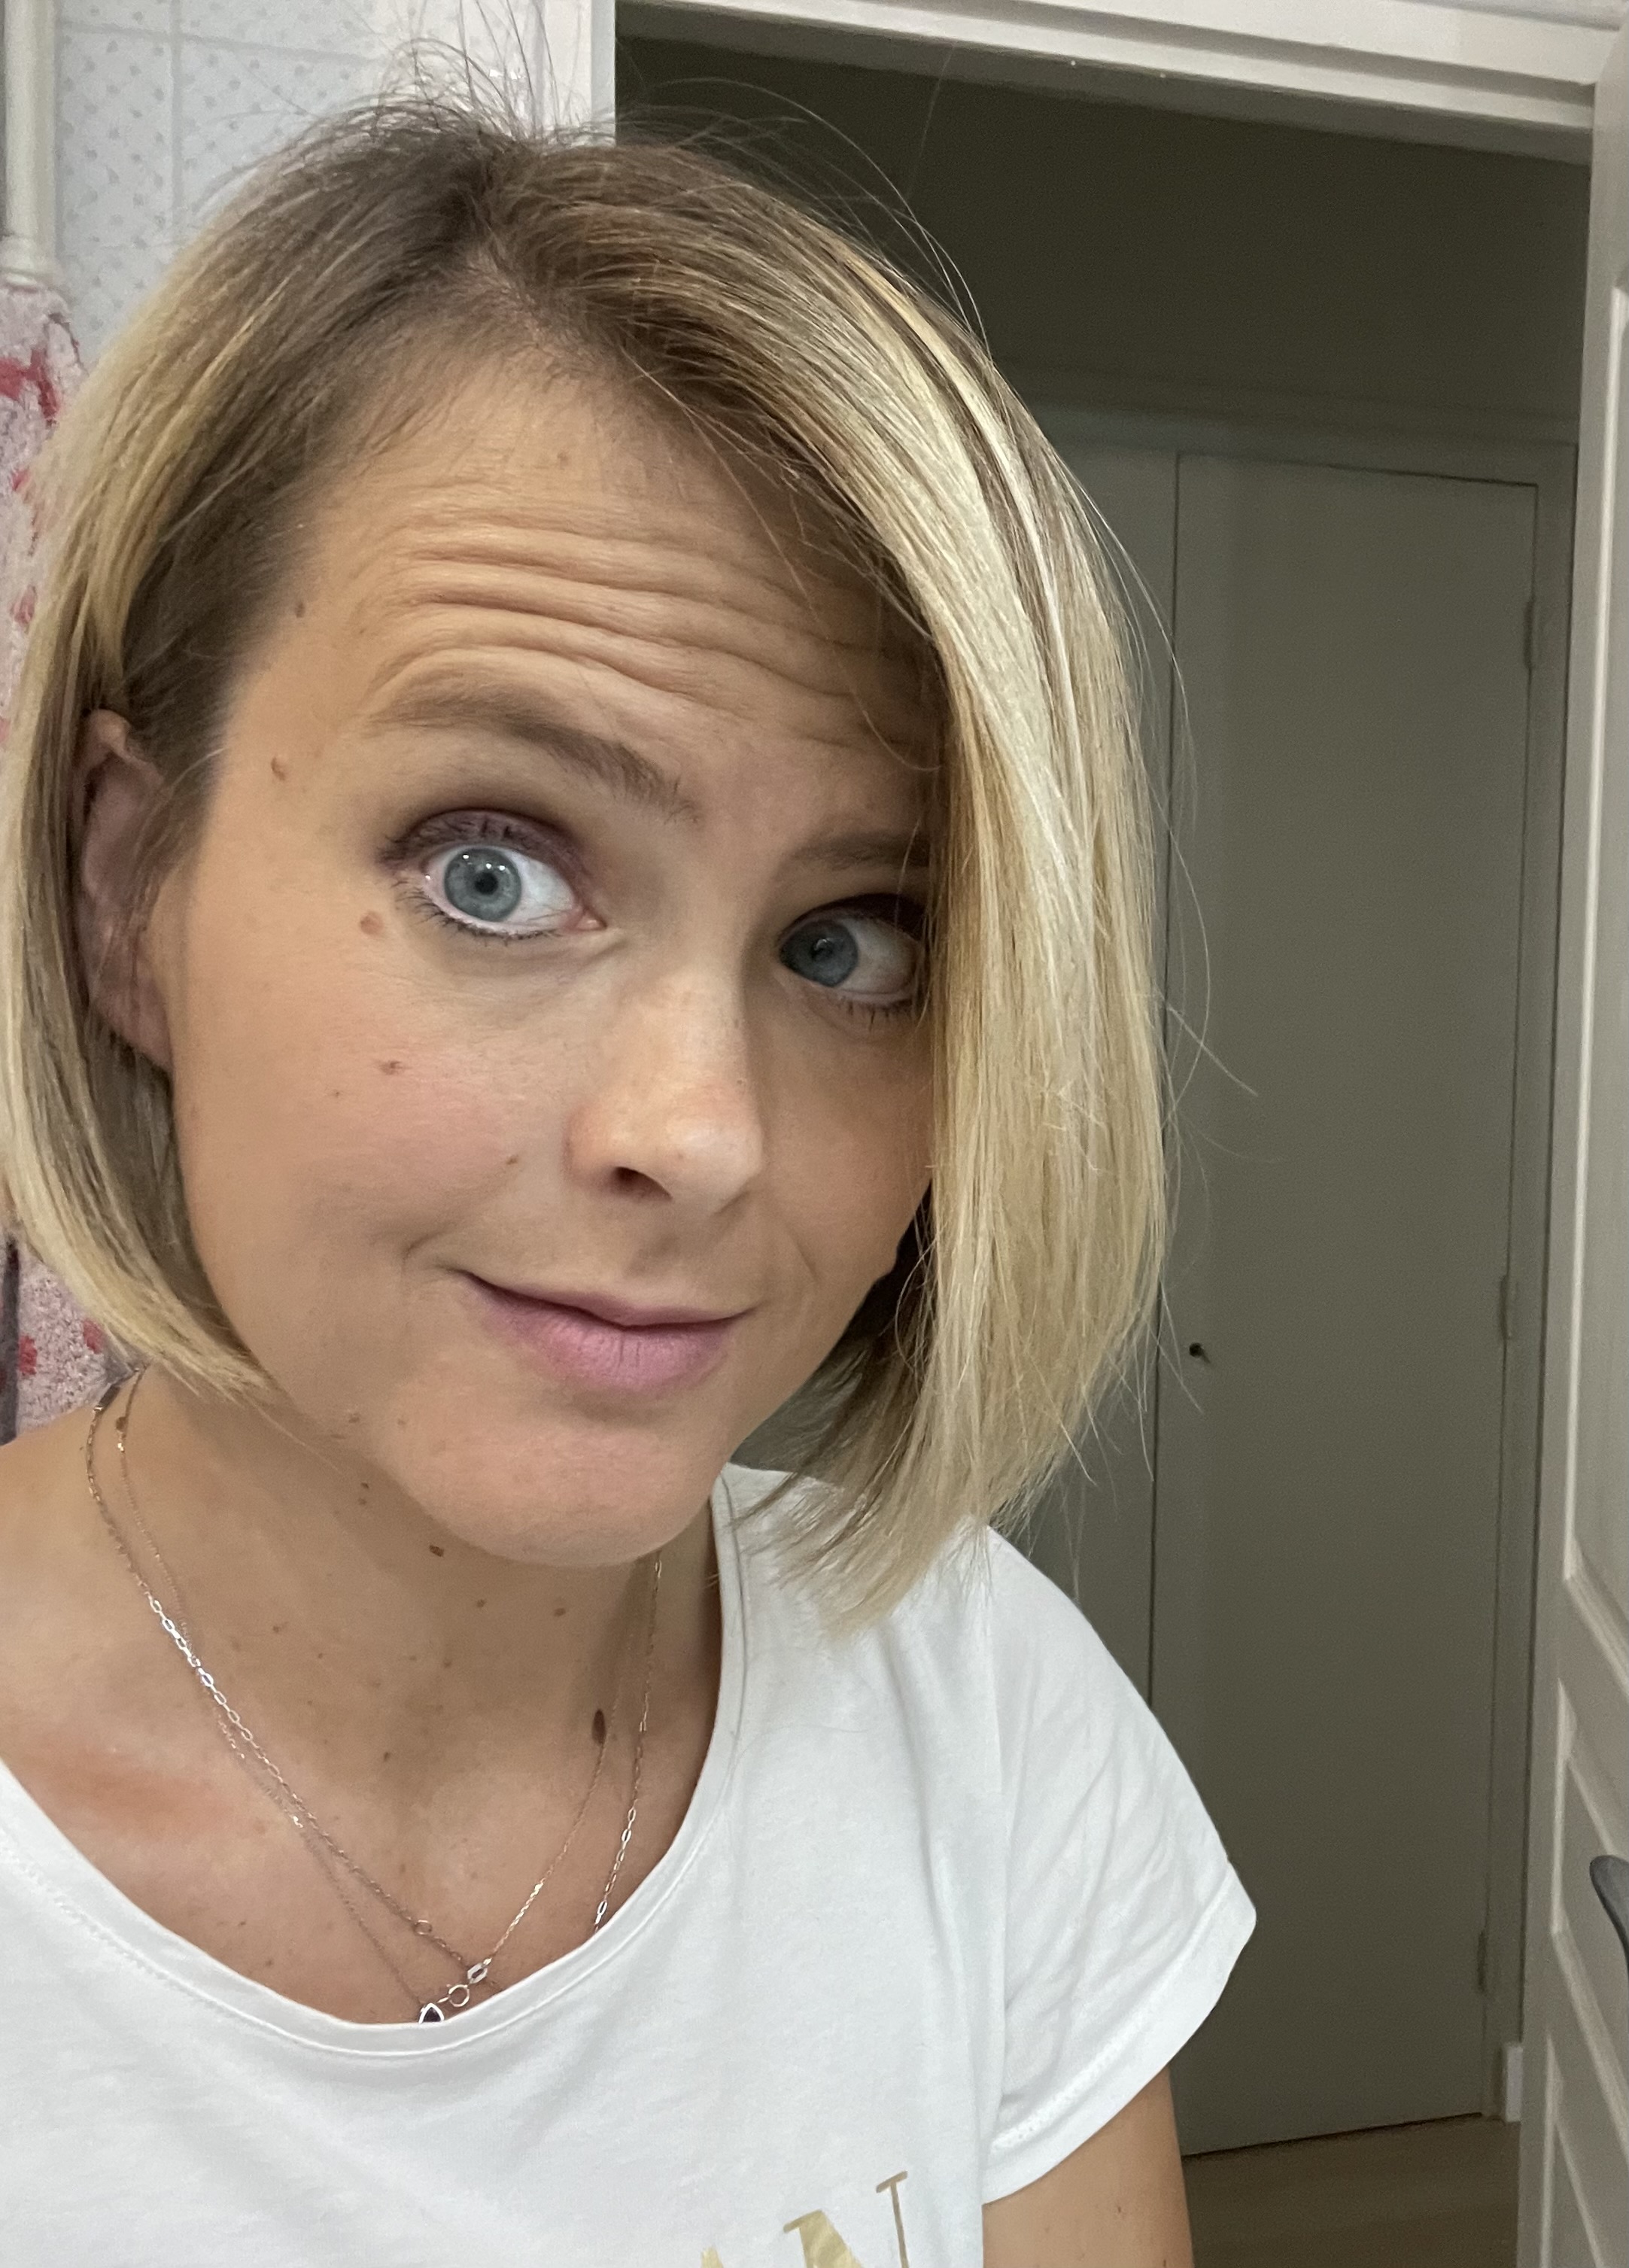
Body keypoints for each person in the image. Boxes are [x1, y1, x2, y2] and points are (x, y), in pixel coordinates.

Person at [0, 92, 1252, 2265]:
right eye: (491, 868)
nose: (704, 1133)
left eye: (850, 941)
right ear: (131, 894)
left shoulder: (980, 1713)